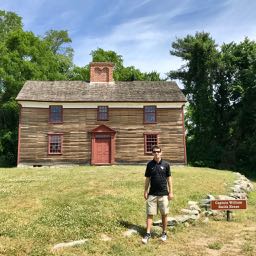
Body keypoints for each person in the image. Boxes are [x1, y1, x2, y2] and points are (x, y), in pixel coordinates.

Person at [142, 145, 173, 244]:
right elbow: (147, 179)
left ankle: (164, 233)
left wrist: (171, 191)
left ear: (161, 152)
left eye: (158, 151)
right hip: (152, 194)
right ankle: (147, 233)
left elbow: (169, 178)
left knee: (164, 214)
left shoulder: (166, 164)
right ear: (152, 153)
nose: (156, 153)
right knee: (150, 214)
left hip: (164, 194)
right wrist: (145, 191)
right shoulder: (149, 165)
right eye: (154, 152)